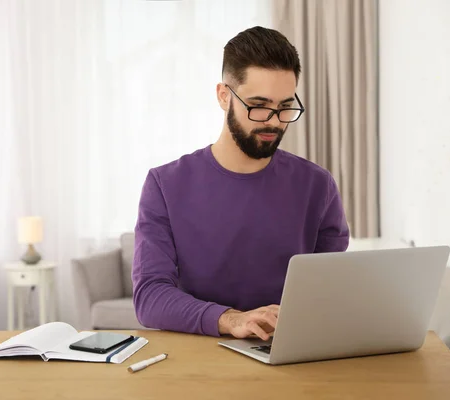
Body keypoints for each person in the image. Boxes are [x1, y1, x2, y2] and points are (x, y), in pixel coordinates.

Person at [132, 26, 350, 341]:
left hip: (288, 356)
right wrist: (231, 320)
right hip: (200, 356)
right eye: (259, 105)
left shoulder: (318, 185)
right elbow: (150, 297)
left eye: (285, 106)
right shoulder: (164, 184)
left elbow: (328, 289)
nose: (274, 121)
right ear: (224, 96)